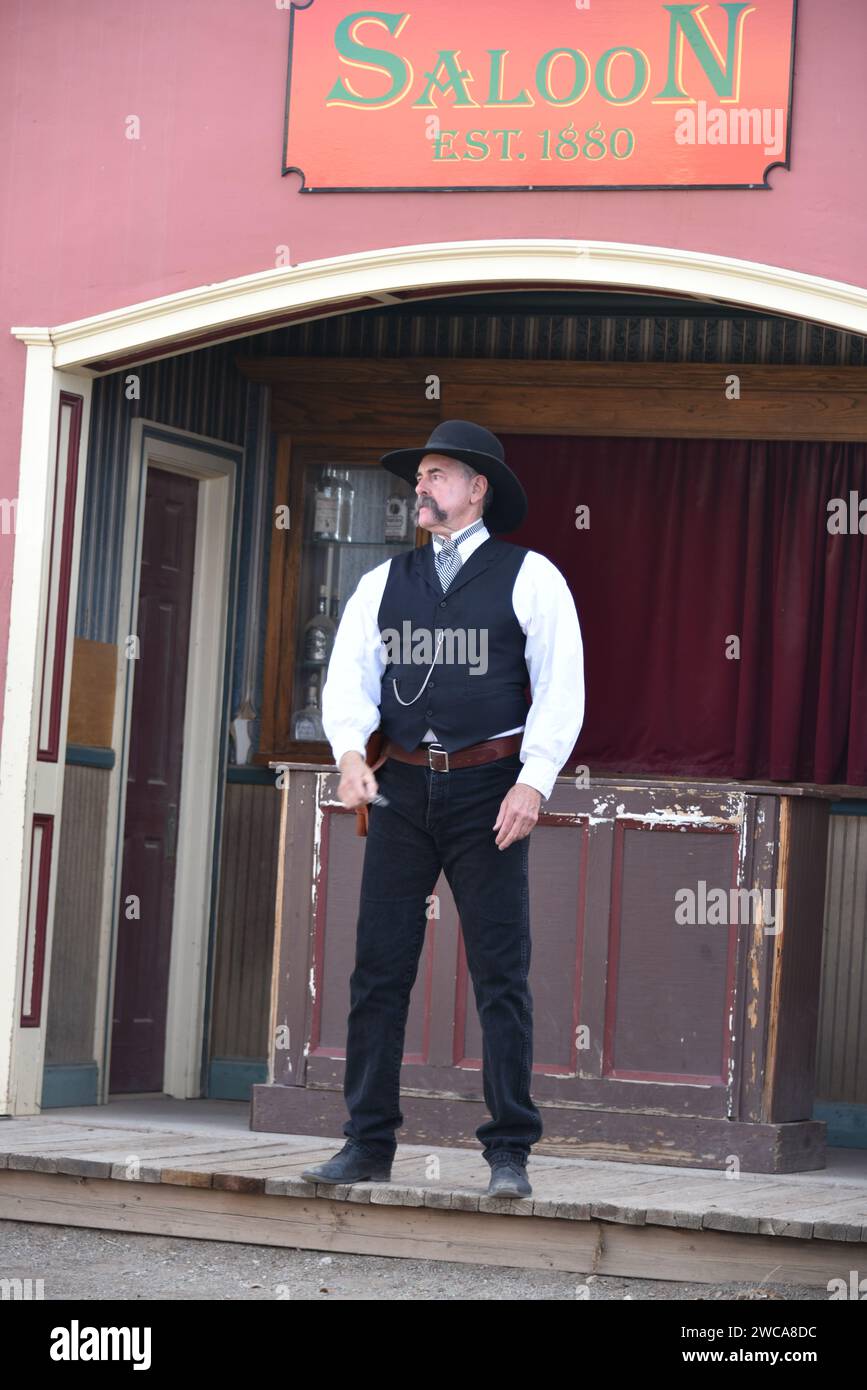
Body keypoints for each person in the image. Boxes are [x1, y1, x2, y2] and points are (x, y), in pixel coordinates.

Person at [301, 420, 585, 1198]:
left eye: (434, 475)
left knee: (500, 972)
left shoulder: (530, 576)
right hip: (399, 793)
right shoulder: (382, 582)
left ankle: (508, 1152)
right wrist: (352, 757)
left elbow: (561, 686)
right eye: (417, 476)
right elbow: (349, 679)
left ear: (475, 489)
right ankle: (365, 1143)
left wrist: (534, 782)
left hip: (489, 789)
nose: (419, 488)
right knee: (378, 971)